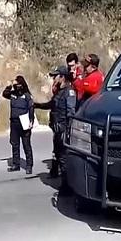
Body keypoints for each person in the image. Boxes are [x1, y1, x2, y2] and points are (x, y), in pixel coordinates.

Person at [35, 65, 76, 193]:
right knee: (58, 155)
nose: (54, 79)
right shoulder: (59, 91)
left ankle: (67, 187)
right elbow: (51, 105)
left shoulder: (69, 92)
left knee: (63, 158)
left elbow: (71, 113)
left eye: (56, 76)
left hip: (63, 129)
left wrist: (67, 131)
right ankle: (62, 182)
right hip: (57, 129)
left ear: (62, 77)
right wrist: (37, 105)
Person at [2, 75, 34, 174]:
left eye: (19, 84)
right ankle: (16, 164)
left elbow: (31, 108)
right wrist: (9, 86)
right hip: (14, 122)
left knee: (26, 145)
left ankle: (29, 165)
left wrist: (31, 120)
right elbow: (4, 94)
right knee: (14, 144)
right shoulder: (12, 94)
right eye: (16, 85)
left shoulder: (27, 95)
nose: (17, 87)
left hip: (24, 121)